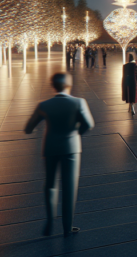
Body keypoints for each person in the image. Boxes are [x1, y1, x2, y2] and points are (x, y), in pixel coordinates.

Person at [24, 73, 94, 237]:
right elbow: (89, 124)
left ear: (53, 86)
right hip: (71, 149)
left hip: (50, 147)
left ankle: (49, 222)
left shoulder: (44, 105)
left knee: (50, 185)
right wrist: (76, 134)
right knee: (69, 187)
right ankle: (67, 227)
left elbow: (28, 128)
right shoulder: (78, 102)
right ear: (69, 85)